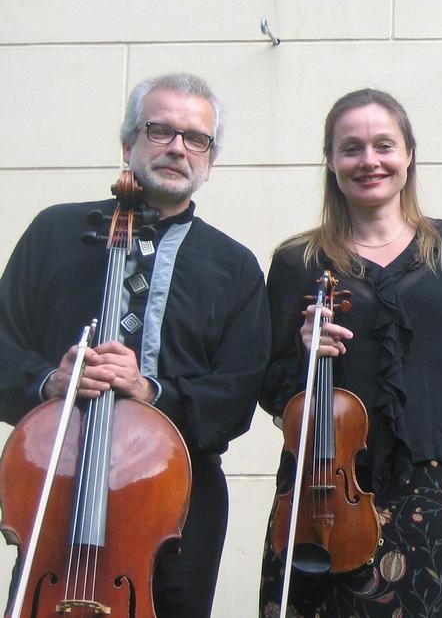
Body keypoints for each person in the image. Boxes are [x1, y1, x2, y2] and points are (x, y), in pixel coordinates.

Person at [0, 72, 270, 617]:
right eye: (160, 130)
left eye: (196, 138)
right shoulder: (53, 232)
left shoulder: (234, 266)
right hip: (59, 489)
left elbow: (238, 394)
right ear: (128, 143)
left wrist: (151, 391)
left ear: (209, 161)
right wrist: (50, 381)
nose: (177, 147)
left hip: (176, 505)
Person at [257, 89, 442, 617]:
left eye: (384, 145)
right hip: (321, 495)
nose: (369, 161)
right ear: (331, 162)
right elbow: (268, 389)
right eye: (351, 148)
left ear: (409, 155)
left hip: (433, 486)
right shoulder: (297, 261)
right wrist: (303, 354)